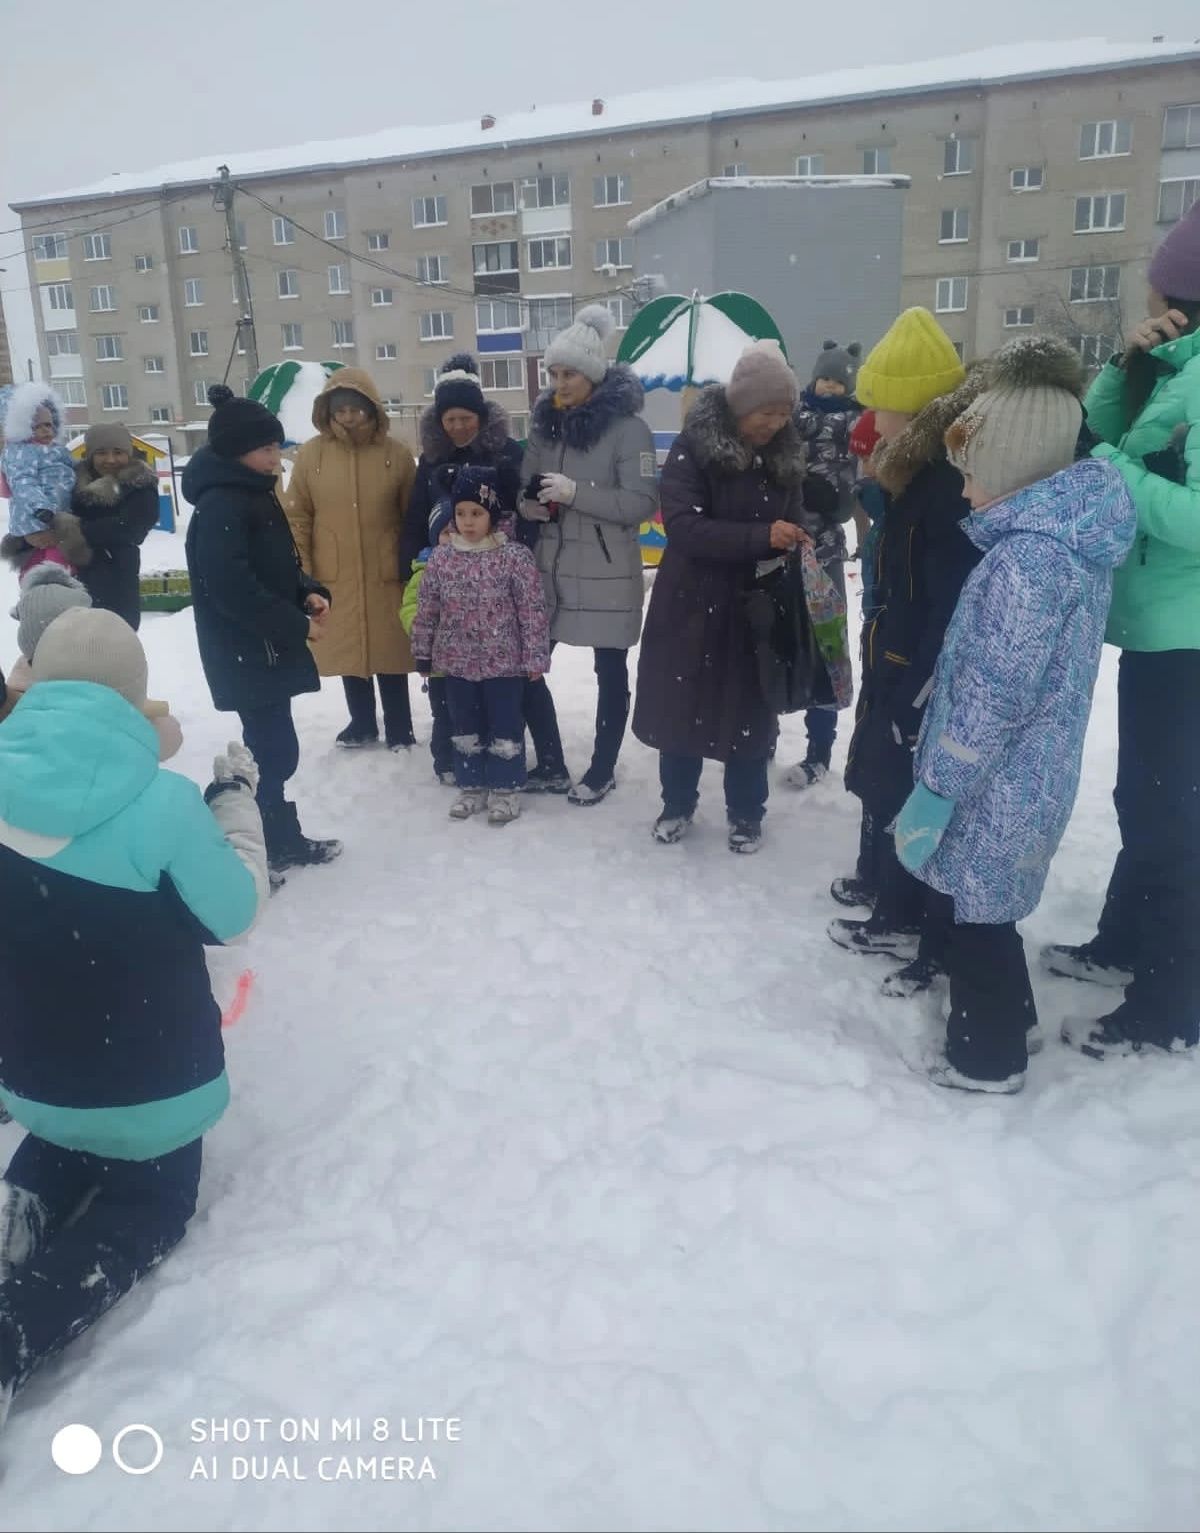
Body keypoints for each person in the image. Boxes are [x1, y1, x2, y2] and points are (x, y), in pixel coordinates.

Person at [0, 607, 268, 1429]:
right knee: (141, 1209)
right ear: (134, 697)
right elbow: (233, 912)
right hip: (153, 1087)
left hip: (31, 1074)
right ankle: (15, 1334)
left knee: (63, 1139)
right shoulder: (162, 803)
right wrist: (237, 807)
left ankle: (17, 1214)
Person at [892, 337, 1136, 1093]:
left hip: (995, 780)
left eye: (973, 478)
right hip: (1031, 773)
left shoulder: (1028, 561)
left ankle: (986, 1058)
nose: (964, 494)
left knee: (976, 918)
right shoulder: (1065, 547)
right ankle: (1014, 1021)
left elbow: (994, 693)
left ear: (1012, 470)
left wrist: (939, 782)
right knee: (989, 907)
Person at [1042, 200, 1200, 1059]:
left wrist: (1116, 475)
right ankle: (1125, 944)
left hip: (1190, 637)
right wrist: (1126, 361)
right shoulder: (1180, 369)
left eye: (1161, 285)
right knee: (1145, 803)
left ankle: (1172, 1003)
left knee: (1175, 820)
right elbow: (1092, 432)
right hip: (1157, 628)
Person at [829, 308, 984, 990]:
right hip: (893, 647)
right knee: (887, 777)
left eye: (881, 408)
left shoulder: (944, 486)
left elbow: (945, 598)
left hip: (915, 662)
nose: (874, 422)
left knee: (905, 783)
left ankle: (906, 913)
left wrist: (916, 679)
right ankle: (891, 897)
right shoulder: (913, 476)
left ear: (911, 407)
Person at [633, 339, 829, 853]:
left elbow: (795, 513)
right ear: (742, 406)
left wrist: (798, 535)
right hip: (690, 603)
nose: (774, 423)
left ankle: (747, 814)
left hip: (754, 610)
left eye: (783, 413)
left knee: (750, 714)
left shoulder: (785, 456)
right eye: (766, 412)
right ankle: (677, 805)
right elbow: (683, 527)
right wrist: (761, 536)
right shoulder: (693, 447)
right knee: (683, 709)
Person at [184, 384, 341, 886]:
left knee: (273, 751)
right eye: (267, 449)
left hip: (265, 647)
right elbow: (233, 590)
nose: (278, 457)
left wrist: (307, 590)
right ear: (236, 452)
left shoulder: (252, 494)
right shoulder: (222, 508)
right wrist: (296, 624)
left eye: (278, 447)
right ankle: (243, 841)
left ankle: (275, 838)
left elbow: (275, 567)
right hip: (247, 651)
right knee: (272, 753)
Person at [401, 353, 563, 786]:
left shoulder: (507, 452)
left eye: (465, 417)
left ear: (479, 416)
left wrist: (513, 550)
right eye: (450, 418)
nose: (458, 426)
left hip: (503, 574)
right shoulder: (431, 459)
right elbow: (418, 516)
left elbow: (528, 505)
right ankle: (455, 757)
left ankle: (549, 761)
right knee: (452, 683)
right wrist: (413, 563)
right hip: (450, 574)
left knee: (519, 682)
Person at [519, 305, 657, 805]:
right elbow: (524, 491)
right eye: (553, 373)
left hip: (605, 572)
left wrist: (576, 493)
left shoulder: (629, 430)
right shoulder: (545, 426)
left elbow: (642, 503)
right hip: (549, 570)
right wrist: (531, 505)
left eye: (569, 373)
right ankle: (551, 762)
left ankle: (602, 768)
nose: (559, 383)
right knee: (527, 665)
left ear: (593, 376)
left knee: (610, 672)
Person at [411, 466, 550, 826]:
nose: (467, 522)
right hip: (456, 664)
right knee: (464, 726)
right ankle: (471, 784)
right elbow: (427, 609)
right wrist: (423, 652)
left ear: (493, 515)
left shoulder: (514, 556)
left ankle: (505, 788)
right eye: (460, 514)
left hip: (504, 664)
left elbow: (532, 610)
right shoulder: (441, 558)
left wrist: (535, 656)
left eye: (476, 513)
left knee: (505, 726)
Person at [286, 370, 417, 750]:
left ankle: (400, 727)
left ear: (371, 409)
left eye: (355, 409)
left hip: (385, 569)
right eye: (339, 410)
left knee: (389, 649)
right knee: (349, 647)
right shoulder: (311, 455)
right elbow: (298, 516)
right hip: (335, 570)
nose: (347, 417)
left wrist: (409, 563)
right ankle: (361, 723)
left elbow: (412, 513)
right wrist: (303, 570)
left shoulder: (396, 454)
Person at [785, 340, 862, 789]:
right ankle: (767, 732)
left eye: (838, 380)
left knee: (827, 646)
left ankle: (819, 750)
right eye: (824, 377)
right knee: (777, 640)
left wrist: (840, 504)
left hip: (826, 547)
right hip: (782, 543)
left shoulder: (856, 421)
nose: (829, 386)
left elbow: (863, 473)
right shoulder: (793, 416)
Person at [69, 423, 160, 629]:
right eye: (101, 453)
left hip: (117, 574)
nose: (110, 460)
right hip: (74, 577)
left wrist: (74, 531)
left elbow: (132, 528)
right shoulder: (72, 483)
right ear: (90, 455)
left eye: (118, 452)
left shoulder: (139, 484)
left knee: (116, 639)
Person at [0, 382, 86, 577]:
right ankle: (42, 592)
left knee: (62, 562)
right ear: (21, 428)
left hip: (59, 517)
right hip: (35, 518)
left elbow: (76, 467)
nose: (46, 430)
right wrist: (41, 509)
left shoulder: (57, 449)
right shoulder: (20, 452)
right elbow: (23, 482)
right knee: (44, 564)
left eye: (48, 424)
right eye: (36, 426)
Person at [400, 496, 457, 785]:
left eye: (457, 530)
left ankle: (469, 757)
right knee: (444, 715)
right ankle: (445, 760)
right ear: (436, 538)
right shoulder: (424, 571)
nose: (453, 537)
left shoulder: (479, 565)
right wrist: (422, 628)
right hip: (437, 663)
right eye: (446, 532)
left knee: (469, 714)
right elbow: (410, 607)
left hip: (470, 663)